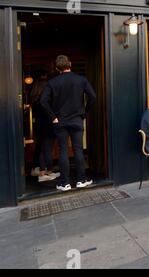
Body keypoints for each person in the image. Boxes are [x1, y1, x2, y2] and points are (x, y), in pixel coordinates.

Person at [40, 55, 96, 192]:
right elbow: (93, 97)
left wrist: (53, 117)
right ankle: (81, 180)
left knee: (63, 150)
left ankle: (64, 183)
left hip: (60, 121)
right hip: (77, 119)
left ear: (57, 68)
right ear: (70, 64)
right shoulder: (81, 80)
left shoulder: (52, 83)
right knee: (78, 150)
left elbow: (43, 101)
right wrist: (84, 112)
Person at [30, 71, 60, 182]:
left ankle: (45, 171)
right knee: (47, 150)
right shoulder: (45, 101)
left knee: (43, 149)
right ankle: (46, 173)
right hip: (48, 126)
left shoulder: (35, 100)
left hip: (39, 126)